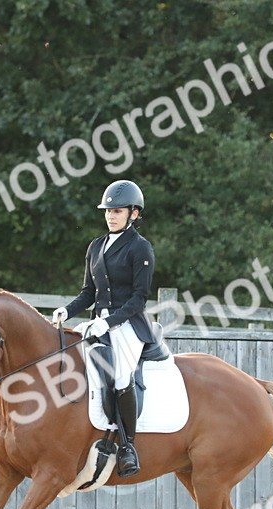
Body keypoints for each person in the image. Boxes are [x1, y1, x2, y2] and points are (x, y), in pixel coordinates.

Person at [51, 179, 160, 478]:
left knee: (121, 375)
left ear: (134, 214)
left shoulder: (140, 248)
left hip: (128, 324)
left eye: (118, 211)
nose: (111, 215)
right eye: (108, 211)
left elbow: (139, 299)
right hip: (97, 322)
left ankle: (127, 446)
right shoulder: (96, 246)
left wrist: (107, 321)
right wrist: (68, 310)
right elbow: (88, 292)